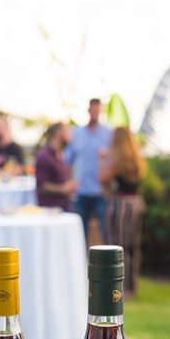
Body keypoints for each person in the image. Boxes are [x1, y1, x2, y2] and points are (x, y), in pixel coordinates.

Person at [98, 127, 147, 297]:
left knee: (116, 246)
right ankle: (131, 286)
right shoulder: (135, 159)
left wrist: (101, 160)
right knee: (133, 247)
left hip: (120, 206)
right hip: (136, 203)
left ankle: (118, 287)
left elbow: (103, 179)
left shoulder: (117, 160)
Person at [67, 98, 113, 240]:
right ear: (88, 110)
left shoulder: (108, 134)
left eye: (98, 111)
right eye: (93, 110)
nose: (96, 114)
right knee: (80, 235)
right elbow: (67, 160)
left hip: (100, 192)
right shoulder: (76, 133)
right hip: (80, 191)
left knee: (106, 233)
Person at [35, 122, 77, 210]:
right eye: (67, 132)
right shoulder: (44, 156)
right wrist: (62, 189)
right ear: (58, 134)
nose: (71, 135)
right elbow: (41, 186)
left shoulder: (62, 154)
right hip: (50, 211)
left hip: (63, 207)